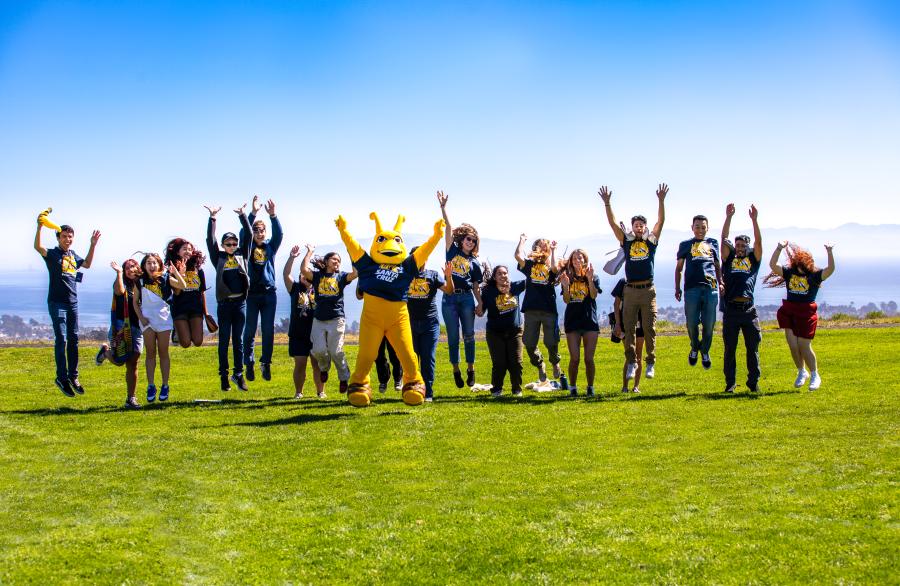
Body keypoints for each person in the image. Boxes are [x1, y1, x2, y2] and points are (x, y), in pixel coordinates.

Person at [598, 183, 667, 381]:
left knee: (649, 327)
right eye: (636, 225)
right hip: (630, 290)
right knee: (629, 328)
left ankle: (651, 361)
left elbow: (661, 222)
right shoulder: (627, 242)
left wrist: (661, 201)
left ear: (644, 227)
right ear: (632, 227)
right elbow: (612, 224)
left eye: (641, 225)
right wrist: (607, 204)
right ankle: (631, 362)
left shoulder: (650, 242)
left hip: (648, 290)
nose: (639, 227)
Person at [34, 219, 100, 396]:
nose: (67, 239)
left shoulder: (73, 255)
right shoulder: (53, 254)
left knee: (74, 339)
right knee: (61, 339)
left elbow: (87, 264)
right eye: (64, 236)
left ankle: (73, 376)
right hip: (57, 302)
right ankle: (61, 377)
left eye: (70, 237)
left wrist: (92, 245)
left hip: (73, 303)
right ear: (58, 238)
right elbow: (38, 247)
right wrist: (40, 227)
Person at [766, 240, 835, 391]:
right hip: (789, 311)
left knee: (804, 346)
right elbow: (773, 265)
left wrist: (829, 252)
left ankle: (815, 374)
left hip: (806, 313)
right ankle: (801, 371)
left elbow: (830, 270)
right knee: (792, 345)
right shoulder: (790, 273)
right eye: (797, 265)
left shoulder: (815, 276)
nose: (799, 269)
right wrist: (778, 248)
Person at [437, 190, 484, 387]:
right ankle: (456, 369)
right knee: (453, 337)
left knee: (469, 335)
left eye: (473, 241)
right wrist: (443, 208)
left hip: (466, 299)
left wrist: (480, 303)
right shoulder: (451, 250)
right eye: (468, 239)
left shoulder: (474, 263)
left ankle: (471, 369)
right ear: (462, 238)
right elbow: (448, 227)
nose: (470, 242)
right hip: (449, 298)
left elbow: (475, 286)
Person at [206, 203, 253, 392]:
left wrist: (243, 215)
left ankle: (238, 374)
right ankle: (224, 376)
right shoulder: (218, 257)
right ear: (223, 245)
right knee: (224, 341)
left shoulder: (243, 254)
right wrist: (213, 218)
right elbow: (210, 239)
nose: (232, 246)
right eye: (228, 244)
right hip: (225, 304)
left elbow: (248, 235)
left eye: (234, 243)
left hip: (240, 303)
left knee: (238, 341)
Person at [301, 245, 357, 393]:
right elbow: (304, 270)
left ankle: (343, 377)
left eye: (339, 260)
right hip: (319, 319)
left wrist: (351, 253)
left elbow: (355, 273)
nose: (337, 262)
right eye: (334, 259)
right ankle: (324, 368)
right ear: (326, 262)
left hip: (336, 319)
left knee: (336, 351)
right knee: (318, 350)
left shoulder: (341, 277)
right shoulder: (318, 277)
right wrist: (309, 252)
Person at [720, 203, 763, 393]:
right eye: (737, 245)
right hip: (731, 310)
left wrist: (754, 220)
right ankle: (730, 384)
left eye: (743, 246)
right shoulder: (728, 260)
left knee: (752, 348)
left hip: (749, 311)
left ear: (748, 248)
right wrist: (728, 217)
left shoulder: (753, 261)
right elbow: (723, 240)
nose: (739, 248)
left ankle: (753, 383)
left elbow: (759, 244)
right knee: (730, 349)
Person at [241, 195, 283, 382]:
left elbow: (279, 234)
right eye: (256, 230)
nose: (259, 233)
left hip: (269, 294)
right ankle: (248, 363)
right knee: (249, 330)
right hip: (251, 294)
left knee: (268, 330)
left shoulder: (270, 247)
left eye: (262, 230)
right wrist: (252, 213)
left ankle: (265, 363)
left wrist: (273, 216)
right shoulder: (247, 247)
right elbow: (244, 233)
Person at [406, 248, 454, 402]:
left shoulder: (433, 275)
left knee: (428, 358)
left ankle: (428, 392)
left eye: (424, 256)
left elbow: (449, 291)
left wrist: (449, 276)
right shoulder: (404, 275)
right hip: (409, 323)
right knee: (411, 359)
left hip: (430, 323)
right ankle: (411, 390)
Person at [136, 252, 186, 402]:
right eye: (148, 263)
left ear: (159, 265)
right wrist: (142, 319)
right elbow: (135, 302)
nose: (152, 266)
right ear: (144, 266)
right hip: (147, 322)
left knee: (163, 352)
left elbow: (182, 285)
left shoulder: (165, 279)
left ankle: (165, 385)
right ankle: (151, 385)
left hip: (164, 320)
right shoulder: (140, 281)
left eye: (154, 263)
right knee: (150, 353)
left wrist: (175, 272)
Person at [96, 260, 145, 409]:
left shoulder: (143, 284)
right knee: (119, 361)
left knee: (134, 360)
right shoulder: (121, 283)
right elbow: (119, 291)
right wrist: (119, 273)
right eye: (127, 268)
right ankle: (105, 352)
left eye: (133, 266)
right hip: (121, 327)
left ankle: (131, 398)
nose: (131, 269)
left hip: (137, 328)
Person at [675, 214, 722, 369]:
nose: (700, 230)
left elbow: (717, 266)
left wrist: (721, 283)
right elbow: (679, 268)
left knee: (709, 325)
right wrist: (677, 288)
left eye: (703, 227)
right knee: (691, 324)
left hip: (711, 289)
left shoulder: (713, 243)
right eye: (697, 227)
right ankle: (695, 347)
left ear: (707, 228)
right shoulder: (685, 244)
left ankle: (705, 351)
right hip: (692, 289)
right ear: (692, 228)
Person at [515, 234, 562, 390]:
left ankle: (555, 362)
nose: (542, 248)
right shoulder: (529, 266)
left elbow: (555, 268)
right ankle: (540, 364)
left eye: (545, 246)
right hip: (531, 309)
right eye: (540, 245)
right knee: (529, 342)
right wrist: (522, 241)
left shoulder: (551, 268)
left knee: (551, 341)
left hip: (549, 310)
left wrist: (554, 251)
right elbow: (517, 256)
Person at [284, 246, 327, 399]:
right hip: (298, 333)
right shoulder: (295, 288)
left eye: (307, 275)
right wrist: (292, 258)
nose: (304, 278)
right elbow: (286, 274)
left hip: (316, 333)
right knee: (300, 364)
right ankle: (298, 392)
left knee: (317, 364)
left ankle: (321, 392)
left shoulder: (320, 289)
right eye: (302, 275)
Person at [558, 249, 601, 397]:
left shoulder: (593, 276)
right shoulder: (567, 277)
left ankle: (590, 387)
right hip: (573, 322)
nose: (578, 260)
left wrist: (589, 279)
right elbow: (566, 300)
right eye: (575, 258)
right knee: (574, 358)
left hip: (590, 321)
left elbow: (594, 295)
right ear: (571, 261)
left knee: (589, 359)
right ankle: (573, 387)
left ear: (585, 260)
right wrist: (565, 286)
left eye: (580, 258)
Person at [480, 264, 527, 398]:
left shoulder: (515, 286)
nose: (503, 275)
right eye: (499, 273)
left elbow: (532, 279)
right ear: (494, 277)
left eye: (505, 273)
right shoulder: (489, 291)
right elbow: (482, 310)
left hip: (515, 332)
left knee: (516, 362)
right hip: (495, 333)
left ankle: (517, 389)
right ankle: (496, 389)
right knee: (499, 363)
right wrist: (478, 308)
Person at [355, 284, 403, 393]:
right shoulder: (369, 273)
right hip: (374, 320)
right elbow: (359, 296)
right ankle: (383, 379)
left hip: (392, 318)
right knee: (378, 354)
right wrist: (361, 281)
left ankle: (398, 378)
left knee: (394, 352)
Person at [165, 237, 208, 348]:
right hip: (180, 308)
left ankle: (185, 328)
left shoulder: (198, 269)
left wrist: (206, 313)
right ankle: (177, 329)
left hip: (195, 308)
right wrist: (180, 274)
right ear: (177, 251)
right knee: (185, 343)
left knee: (198, 341)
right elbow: (177, 292)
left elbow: (202, 292)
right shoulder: (172, 269)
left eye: (190, 249)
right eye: (184, 249)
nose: (188, 251)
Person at [611, 278, 645, 393]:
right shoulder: (623, 282)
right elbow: (616, 304)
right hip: (625, 323)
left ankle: (636, 386)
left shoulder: (644, 280)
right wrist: (618, 324)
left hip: (641, 322)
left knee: (639, 354)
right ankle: (625, 387)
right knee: (630, 354)